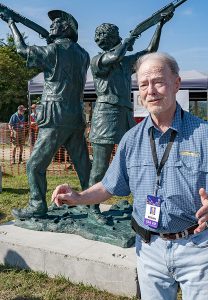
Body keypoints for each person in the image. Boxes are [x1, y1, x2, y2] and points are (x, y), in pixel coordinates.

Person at [52, 53, 208, 300]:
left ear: (176, 84)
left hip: (197, 248)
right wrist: (79, 196)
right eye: (144, 84)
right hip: (149, 249)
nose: (151, 91)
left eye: (158, 81)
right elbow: (109, 185)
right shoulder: (131, 139)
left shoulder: (203, 135)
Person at [3, 10, 91, 218]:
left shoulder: (54, 50)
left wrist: (11, 24)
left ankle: (37, 205)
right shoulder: (84, 54)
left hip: (55, 115)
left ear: (68, 29)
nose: (53, 25)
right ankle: (92, 203)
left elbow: (21, 49)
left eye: (58, 23)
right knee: (83, 165)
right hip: (75, 115)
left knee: (34, 165)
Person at [89, 14, 173, 220]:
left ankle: (144, 204)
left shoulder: (125, 62)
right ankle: (92, 208)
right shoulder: (99, 60)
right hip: (106, 114)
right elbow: (114, 57)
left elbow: (149, 52)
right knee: (100, 164)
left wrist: (159, 25)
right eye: (114, 35)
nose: (118, 37)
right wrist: (130, 38)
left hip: (125, 112)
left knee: (141, 159)